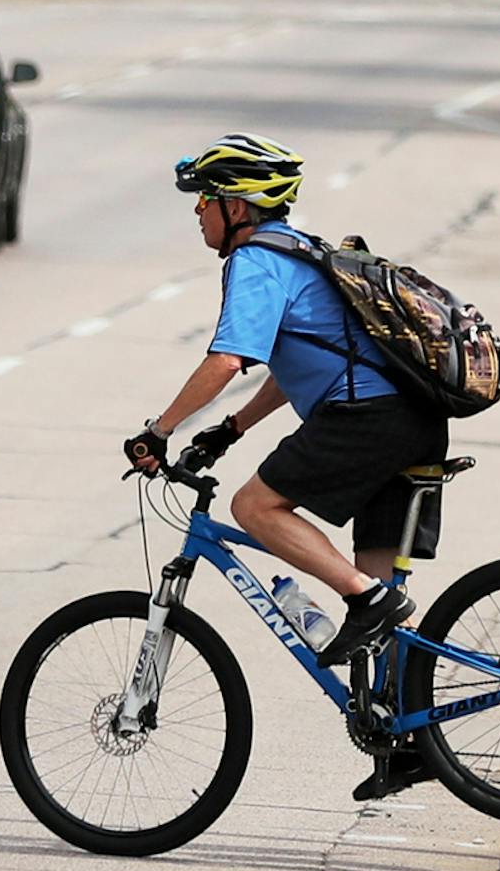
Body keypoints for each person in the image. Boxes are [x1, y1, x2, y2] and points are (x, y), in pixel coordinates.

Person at [123, 132, 447, 800]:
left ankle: (366, 599)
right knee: (380, 589)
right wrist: (231, 427)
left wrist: (157, 430)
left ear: (238, 206)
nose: (198, 213)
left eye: (207, 199)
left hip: (370, 417)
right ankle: (411, 740)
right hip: (408, 415)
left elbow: (227, 360)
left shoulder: (255, 261)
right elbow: (293, 358)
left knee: (254, 508)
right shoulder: (298, 248)